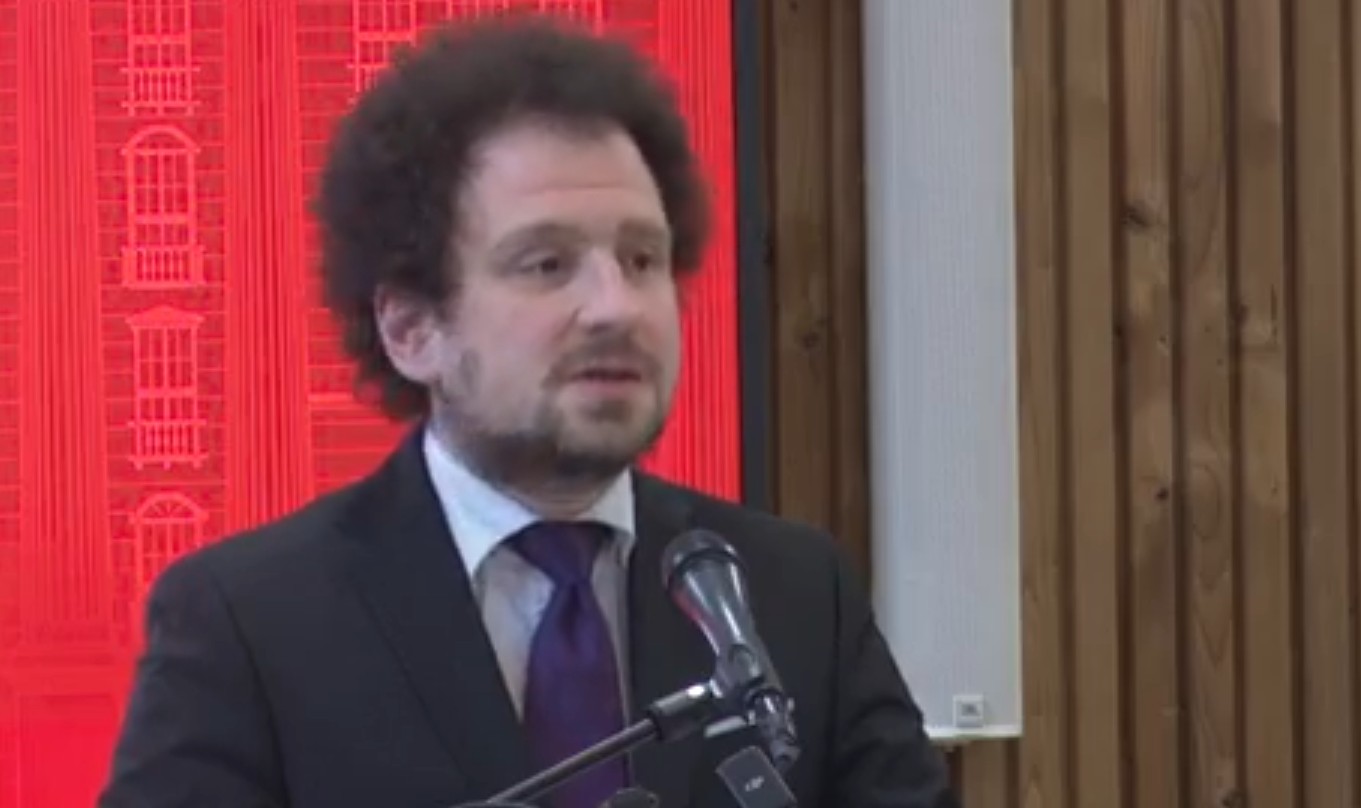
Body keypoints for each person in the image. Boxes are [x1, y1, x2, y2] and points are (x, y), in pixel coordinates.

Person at [98, 13, 958, 808]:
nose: (615, 307)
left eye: (642, 259)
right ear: (411, 329)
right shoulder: (251, 623)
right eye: (546, 264)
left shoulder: (789, 591)